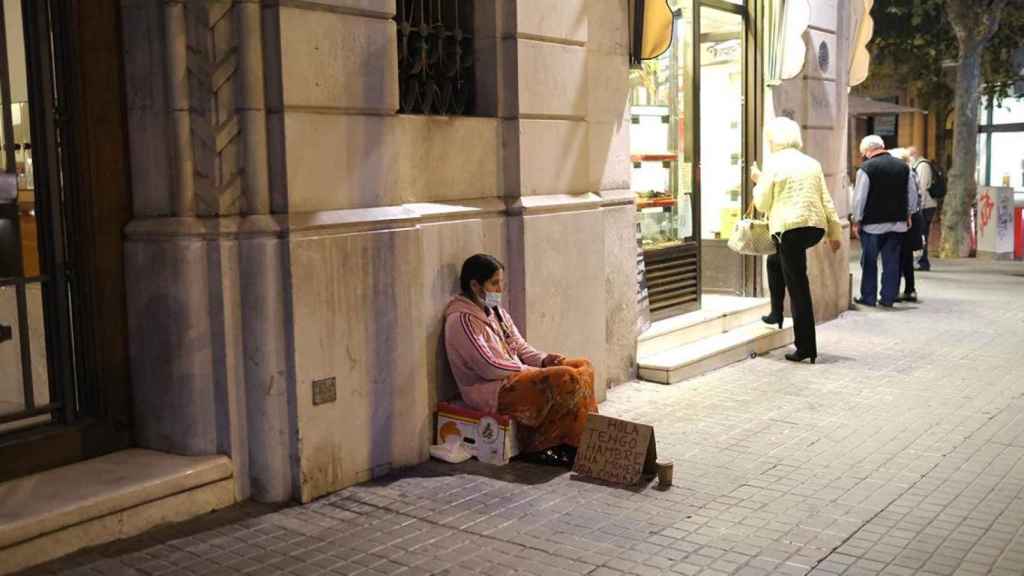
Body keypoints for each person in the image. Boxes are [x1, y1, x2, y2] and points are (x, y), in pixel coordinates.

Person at [443, 254, 598, 466]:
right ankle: (542, 445)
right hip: (492, 390)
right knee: (566, 378)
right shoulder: (462, 319)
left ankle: (584, 441)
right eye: (494, 283)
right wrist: (531, 371)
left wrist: (545, 360)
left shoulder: (497, 312)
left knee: (582, 367)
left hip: (516, 376)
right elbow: (489, 367)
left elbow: (521, 347)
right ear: (475, 286)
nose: (500, 289)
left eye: (501, 283)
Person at [750, 117, 843, 364]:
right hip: (813, 227)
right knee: (775, 261)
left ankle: (806, 347)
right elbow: (825, 199)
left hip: (789, 229)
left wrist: (758, 180)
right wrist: (835, 233)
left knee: (798, 287)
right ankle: (775, 313)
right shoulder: (811, 163)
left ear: (773, 139)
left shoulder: (774, 164)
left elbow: (761, 203)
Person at [851, 136, 919, 308]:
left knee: (869, 262)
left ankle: (868, 297)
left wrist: (856, 220)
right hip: (897, 223)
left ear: (867, 151)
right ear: (882, 147)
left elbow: (860, 198)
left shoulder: (866, 169)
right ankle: (888, 298)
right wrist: (909, 214)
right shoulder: (904, 167)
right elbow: (912, 194)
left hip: (872, 224)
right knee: (892, 262)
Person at [890, 148, 923, 303]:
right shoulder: (911, 172)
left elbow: (911, 197)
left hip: (906, 219)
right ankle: (909, 289)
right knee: (906, 256)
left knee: (898, 254)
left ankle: (896, 290)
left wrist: (908, 214)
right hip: (912, 217)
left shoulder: (906, 174)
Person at [908, 147, 937, 271]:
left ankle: (923, 261)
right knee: (921, 234)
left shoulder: (922, 166)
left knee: (922, 234)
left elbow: (922, 188)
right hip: (925, 206)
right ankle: (920, 260)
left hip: (926, 207)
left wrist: (920, 207)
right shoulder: (919, 165)